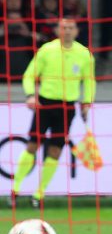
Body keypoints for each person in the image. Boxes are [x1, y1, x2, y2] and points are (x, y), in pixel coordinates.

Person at [11, 17, 95, 208]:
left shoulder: (84, 54)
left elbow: (89, 81)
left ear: (77, 31)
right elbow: (29, 75)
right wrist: (30, 95)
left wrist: (86, 102)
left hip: (67, 107)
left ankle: (38, 195)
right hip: (45, 104)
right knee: (33, 145)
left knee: (55, 151)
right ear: (58, 30)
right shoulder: (46, 50)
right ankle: (15, 189)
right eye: (64, 27)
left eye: (71, 28)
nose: (67, 31)